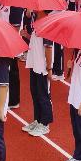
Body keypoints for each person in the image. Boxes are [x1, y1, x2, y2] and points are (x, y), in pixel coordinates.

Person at [22, 9, 54, 137]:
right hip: (34, 64)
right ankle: (37, 120)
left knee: (43, 94)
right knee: (35, 92)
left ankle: (45, 124)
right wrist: (27, 35)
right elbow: (36, 42)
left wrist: (49, 68)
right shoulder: (37, 22)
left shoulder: (47, 24)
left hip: (42, 68)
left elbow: (48, 47)